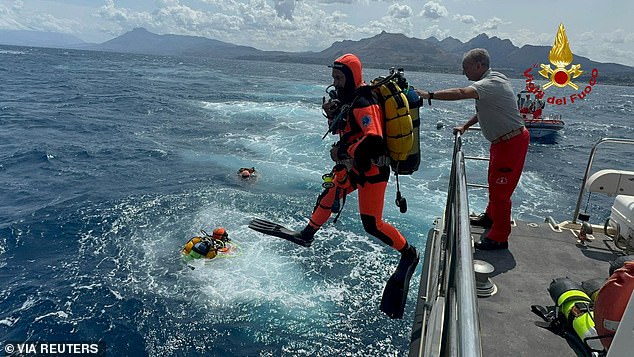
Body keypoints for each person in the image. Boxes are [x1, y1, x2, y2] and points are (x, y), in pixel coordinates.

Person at [249, 53, 419, 318]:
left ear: (352, 77)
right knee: (331, 191)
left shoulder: (363, 100)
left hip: (371, 170)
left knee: (372, 225)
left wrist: (343, 150)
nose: (335, 83)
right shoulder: (349, 99)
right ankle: (307, 234)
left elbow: (373, 139)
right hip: (353, 166)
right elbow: (349, 128)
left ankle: (409, 253)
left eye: (339, 78)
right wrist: (334, 118)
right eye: (334, 78)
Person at [415, 48, 530, 250]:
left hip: (511, 143)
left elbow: (461, 93)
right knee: (494, 185)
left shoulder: (491, 83)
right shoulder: (494, 80)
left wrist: (428, 95)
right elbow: (488, 109)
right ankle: (490, 218)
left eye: (465, 68)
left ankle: (499, 237)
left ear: (479, 66)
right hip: (502, 142)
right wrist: (466, 126)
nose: (463, 73)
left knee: (501, 192)